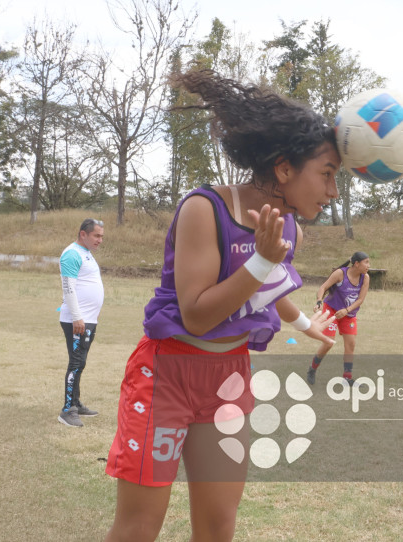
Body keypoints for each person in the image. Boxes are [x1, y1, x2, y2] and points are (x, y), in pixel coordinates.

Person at [104, 71, 339, 542]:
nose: (333, 191)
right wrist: (260, 260)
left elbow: (270, 289)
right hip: (168, 376)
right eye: (327, 174)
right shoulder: (204, 208)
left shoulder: (288, 228)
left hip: (228, 381)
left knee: (218, 526)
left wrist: (307, 324)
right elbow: (196, 313)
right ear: (284, 168)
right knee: (138, 527)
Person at [57, 218, 105, 428]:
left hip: (88, 320)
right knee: (76, 363)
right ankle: (67, 410)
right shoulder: (71, 253)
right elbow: (68, 288)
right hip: (76, 321)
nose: (100, 240)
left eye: (101, 236)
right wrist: (77, 316)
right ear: (83, 234)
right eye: (96, 235)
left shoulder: (87, 254)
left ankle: (75, 402)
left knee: (81, 362)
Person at [306, 252, 370, 386]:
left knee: (351, 344)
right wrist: (319, 301)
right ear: (357, 264)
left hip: (349, 313)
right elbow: (323, 287)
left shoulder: (365, 278)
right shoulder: (340, 273)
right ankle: (312, 369)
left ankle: (347, 377)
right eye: (366, 262)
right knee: (328, 342)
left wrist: (347, 310)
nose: (368, 265)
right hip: (331, 311)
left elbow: (360, 300)